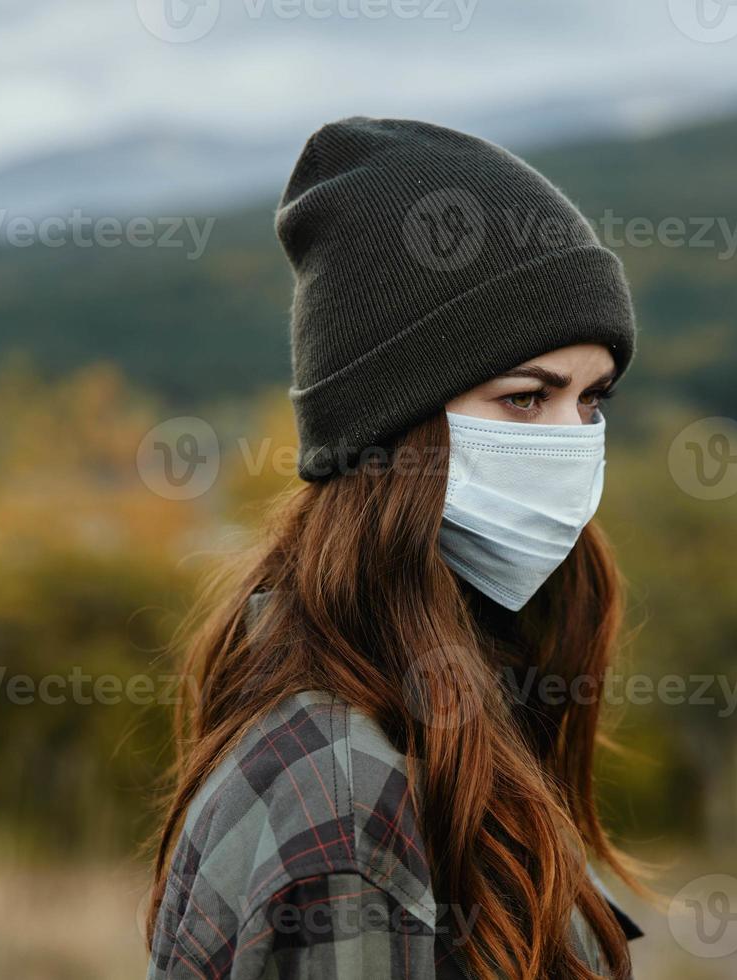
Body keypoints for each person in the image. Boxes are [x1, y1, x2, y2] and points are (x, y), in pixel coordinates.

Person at [147, 117, 643, 979]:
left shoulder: (437, 706)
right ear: (390, 434)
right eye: (527, 399)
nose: (572, 441)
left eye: (592, 401)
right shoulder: (343, 805)